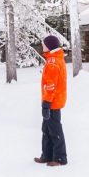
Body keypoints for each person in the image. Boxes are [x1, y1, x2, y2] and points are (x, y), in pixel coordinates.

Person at [34, 35, 68, 167]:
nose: (42, 46)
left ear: (49, 46)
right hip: (53, 100)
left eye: (44, 45)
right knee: (47, 129)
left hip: (53, 102)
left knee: (54, 129)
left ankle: (60, 158)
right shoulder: (55, 59)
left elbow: (50, 86)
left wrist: (46, 104)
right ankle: (47, 155)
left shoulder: (53, 62)